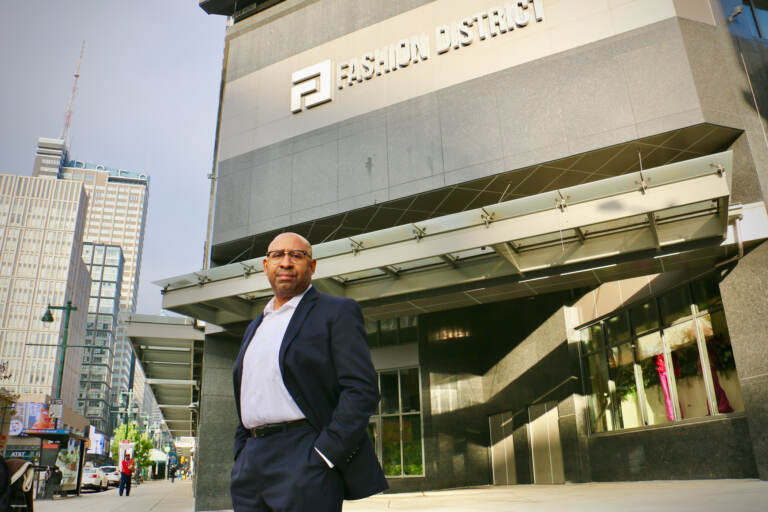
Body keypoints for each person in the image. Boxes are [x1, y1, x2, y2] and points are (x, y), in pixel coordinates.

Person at [230, 233, 387, 512]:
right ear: (266, 265)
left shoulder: (336, 311)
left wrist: (325, 453)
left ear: (312, 266)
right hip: (250, 462)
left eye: (296, 255)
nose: (286, 263)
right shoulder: (255, 326)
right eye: (278, 255)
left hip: (304, 455)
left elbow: (361, 389)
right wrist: (241, 451)